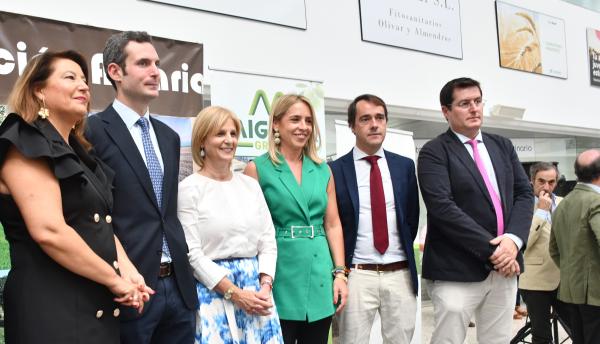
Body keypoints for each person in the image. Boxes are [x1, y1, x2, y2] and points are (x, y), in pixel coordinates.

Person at [0, 50, 151, 343]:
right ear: (39, 89)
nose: (84, 86)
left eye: (85, 80)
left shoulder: (81, 154)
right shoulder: (23, 140)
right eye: (70, 78)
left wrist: (130, 273)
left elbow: (99, 223)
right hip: (51, 311)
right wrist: (115, 280)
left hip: (94, 308)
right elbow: (49, 231)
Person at [86, 31, 198, 344]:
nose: (155, 71)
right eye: (143, 63)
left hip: (178, 287)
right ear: (115, 72)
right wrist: (120, 276)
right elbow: (92, 213)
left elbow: (165, 212)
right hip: (130, 290)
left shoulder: (169, 137)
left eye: (157, 64)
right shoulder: (90, 131)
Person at [418, 77, 533, 344]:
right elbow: (442, 208)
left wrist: (513, 242)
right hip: (457, 269)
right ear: (446, 111)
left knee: (498, 340)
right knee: (449, 339)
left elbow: (524, 194)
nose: (474, 108)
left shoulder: (502, 145)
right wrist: (495, 251)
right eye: (464, 103)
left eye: (478, 101)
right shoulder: (435, 151)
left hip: (504, 269)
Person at [244, 94, 348, 344]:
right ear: (276, 124)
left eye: (308, 121)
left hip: (319, 271)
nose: (303, 127)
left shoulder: (323, 169)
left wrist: (340, 274)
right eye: (295, 119)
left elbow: (332, 224)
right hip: (278, 272)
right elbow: (250, 231)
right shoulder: (257, 169)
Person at [177, 106, 283, 343]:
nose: (229, 140)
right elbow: (191, 254)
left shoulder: (250, 185)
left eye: (233, 134)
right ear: (202, 141)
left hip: (257, 293)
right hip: (213, 291)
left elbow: (268, 241)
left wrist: (265, 285)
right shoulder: (188, 189)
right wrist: (234, 293)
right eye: (220, 134)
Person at [329, 94, 419, 343]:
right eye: (365, 119)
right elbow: (333, 223)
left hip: (400, 273)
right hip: (357, 275)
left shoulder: (404, 166)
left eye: (380, 118)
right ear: (352, 126)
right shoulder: (335, 170)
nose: (374, 124)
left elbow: (411, 218)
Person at [550, 149, 600, 344]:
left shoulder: (563, 204)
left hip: (571, 290)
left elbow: (553, 249)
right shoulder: (596, 202)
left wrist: (574, 272)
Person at [519, 162, 562, 344]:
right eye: (541, 181)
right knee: (542, 335)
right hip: (535, 281)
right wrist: (542, 212)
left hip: (565, 279)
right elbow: (524, 242)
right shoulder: (522, 205)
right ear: (532, 181)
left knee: (579, 327)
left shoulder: (563, 203)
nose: (546, 187)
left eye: (551, 182)